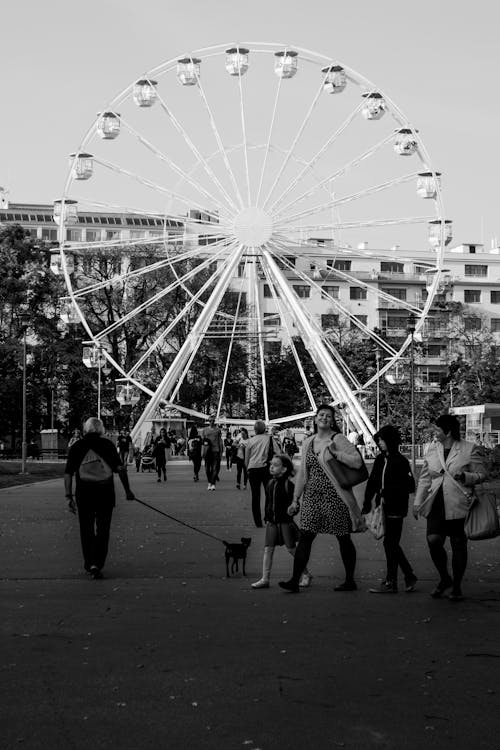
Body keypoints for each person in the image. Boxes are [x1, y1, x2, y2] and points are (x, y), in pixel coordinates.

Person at [279, 404, 365, 593]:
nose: (324, 418)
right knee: (306, 537)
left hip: (335, 496)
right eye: (321, 415)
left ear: (333, 420)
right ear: (316, 418)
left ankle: (350, 580)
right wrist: (295, 499)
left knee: (343, 537)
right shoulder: (308, 442)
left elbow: (357, 461)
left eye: (328, 416)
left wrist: (336, 453)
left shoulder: (339, 439)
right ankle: (295, 580)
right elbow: (302, 472)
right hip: (312, 497)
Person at [414, 414, 487, 601]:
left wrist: (466, 477)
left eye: (437, 429)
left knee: (458, 544)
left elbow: (481, 474)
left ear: (448, 431)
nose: (434, 432)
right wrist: (417, 502)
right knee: (433, 540)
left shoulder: (469, 449)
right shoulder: (432, 449)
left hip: (459, 502)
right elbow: (424, 478)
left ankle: (456, 586)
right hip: (436, 501)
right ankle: (445, 578)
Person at [64, 417, 136, 579]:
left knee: (86, 529)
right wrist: (127, 491)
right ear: (101, 429)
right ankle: (98, 562)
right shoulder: (107, 445)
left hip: (84, 493)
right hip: (105, 493)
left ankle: (89, 562)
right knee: (103, 529)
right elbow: (120, 469)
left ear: (85, 429)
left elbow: (68, 473)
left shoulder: (78, 446)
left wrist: (69, 496)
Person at [362, 424, 417, 594]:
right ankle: (404, 576)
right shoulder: (380, 460)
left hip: (396, 506)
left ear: (391, 441)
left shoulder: (400, 461)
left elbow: (409, 486)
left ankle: (394, 580)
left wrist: (389, 491)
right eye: (378, 440)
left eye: (382, 440)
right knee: (390, 543)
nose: (380, 443)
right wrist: (367, 501)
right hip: (382, 507)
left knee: (390, 543)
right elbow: (373, 482)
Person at [252, 454, 312, 589]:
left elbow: (294, 505)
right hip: (272, 522)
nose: (271, 467)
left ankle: (306, 573)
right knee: (268, 549)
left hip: (285, 522)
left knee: (291, 549)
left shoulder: (288, 485)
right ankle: (265, 578)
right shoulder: (270, 483)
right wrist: (267, 517)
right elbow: (268, 502)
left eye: (275, 465)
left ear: (284, 469)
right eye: (271, 464)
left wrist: (293, 510)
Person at [245, 420, 281, 527]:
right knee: (269, 494)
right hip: (266, 469)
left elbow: (246, 459)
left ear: (255, 430)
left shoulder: (250, 441)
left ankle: (257, 521)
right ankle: (268, 517)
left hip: (253, 469)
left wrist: (248, 469)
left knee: (255, 496)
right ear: (264, 429)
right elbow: (278, 452)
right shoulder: (269, 439)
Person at [202, 415, 223, 491]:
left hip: (215, 451)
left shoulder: (218, 430)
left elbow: (220, 441)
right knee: (207, 469)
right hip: (207, 451)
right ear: (208, 421)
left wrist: (221, 452)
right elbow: (203, 442)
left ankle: (213, 483)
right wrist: (203, 452)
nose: (211, 422)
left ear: (214, 421)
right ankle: (209, 482)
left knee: (214, 468)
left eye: (213, 421)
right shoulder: (205, 430)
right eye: (210, 421)